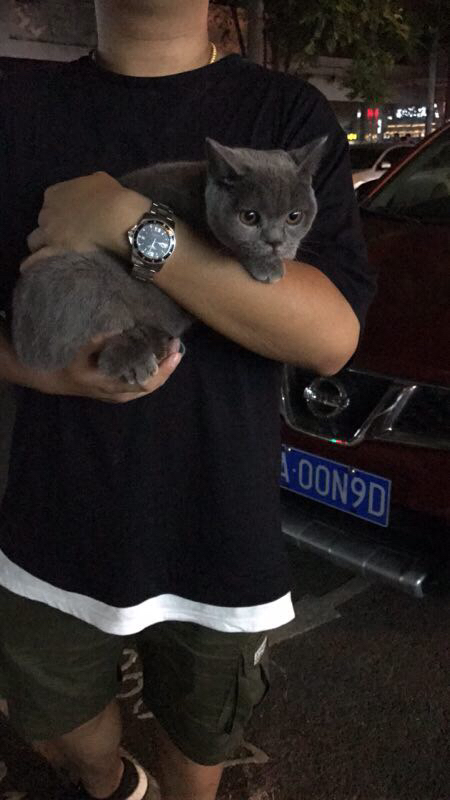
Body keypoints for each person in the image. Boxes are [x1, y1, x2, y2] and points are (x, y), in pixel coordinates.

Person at [0, 2, 376, 799]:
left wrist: (126, 222)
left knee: (200, 744)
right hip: (47, 521)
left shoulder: (284, 113)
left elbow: (330, 335)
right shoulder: (17, 104)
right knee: (64, 728)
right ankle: (112, 785)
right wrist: (49, 373)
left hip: (218, 526)